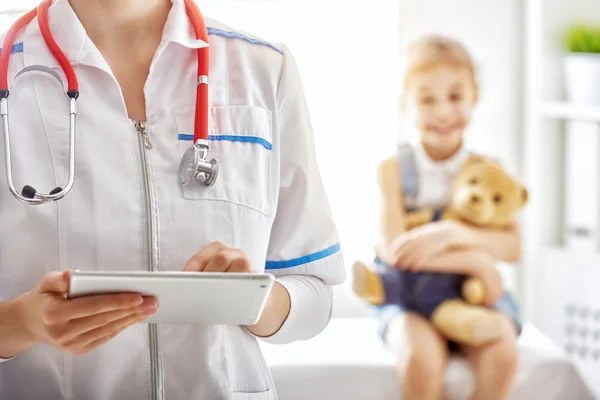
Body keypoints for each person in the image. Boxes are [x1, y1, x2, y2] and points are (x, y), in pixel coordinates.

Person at [0, 0, 345, 398]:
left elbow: (315, 293)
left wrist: (254, 302)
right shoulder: (9, 70)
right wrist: (25, 323)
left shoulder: (264, 69)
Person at [357, 35, 521, 400]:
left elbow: (512, 246)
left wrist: (447, 232)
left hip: (470, 295)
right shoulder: (394, 170)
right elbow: (395, 250)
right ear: (406, 105)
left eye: (455, 96)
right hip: (410, 295)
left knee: (503, 354)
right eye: (427, 99)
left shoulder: (490, 170)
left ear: (474, 96)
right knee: (421, 359)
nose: (443, 111)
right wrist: (476, 260)